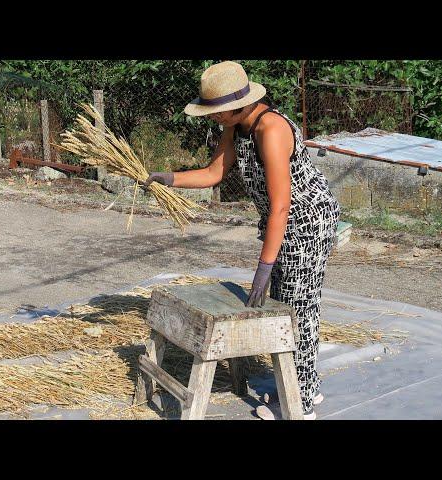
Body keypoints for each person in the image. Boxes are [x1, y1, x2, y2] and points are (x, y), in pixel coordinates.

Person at [143, 61, 340, 420]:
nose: (213, 117)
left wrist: (264, 267)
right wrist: (168, 178)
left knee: (297, 308)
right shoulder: (237, 127)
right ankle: (298, 385)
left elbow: (283, 205)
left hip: (307, 220)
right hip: (280, 220)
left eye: (218, 111)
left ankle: (301, 404)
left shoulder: (271, 129)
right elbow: (214, 172)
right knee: (284, 304)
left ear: (238, 105)